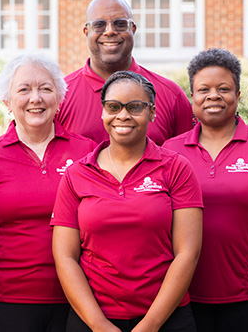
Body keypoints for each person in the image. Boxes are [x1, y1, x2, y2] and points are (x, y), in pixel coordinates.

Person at [51, 71, 203, 332]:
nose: (123, 115)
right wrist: (99, 325)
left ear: (152, 113)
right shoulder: (77, 174)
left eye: (135, 107)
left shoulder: (176, 168)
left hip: (166, 319)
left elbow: (188, 252)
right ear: (103, 112)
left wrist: (150, 325)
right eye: (113, 107)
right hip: (92, 319)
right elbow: (65, 256)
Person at [162, 48, 248, 332]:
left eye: (223, 88)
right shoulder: (169, 152)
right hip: (180, 297)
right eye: (204, 89)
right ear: (192, 98)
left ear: (238, 96)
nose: (213, 96)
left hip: (247, 296)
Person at [0, 53, 96, 332]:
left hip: (74, 301)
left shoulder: (88, 153)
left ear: (59, 99)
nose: (35, 98)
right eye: (23, 89)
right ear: (7, 103)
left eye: (45, 89)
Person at [55, 0, 194, 145]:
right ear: (86, 32)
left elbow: (189, 159)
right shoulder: (59, 96)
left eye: (120, 24)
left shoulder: (172, 96)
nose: (109, 31)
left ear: (133, 29)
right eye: (99, 25)